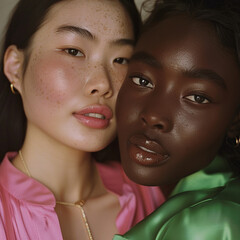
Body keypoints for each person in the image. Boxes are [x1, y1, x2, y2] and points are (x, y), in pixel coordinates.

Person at [0, 0, 165, 239]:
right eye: (74, 51)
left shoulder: (150, 198)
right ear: (15, 67)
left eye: (121, 60)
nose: (103, 84)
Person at [114, 0, 240, 239]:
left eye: (197, 97)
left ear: (235, 119)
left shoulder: (210, 225)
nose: (153, 116)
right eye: (142, 81)